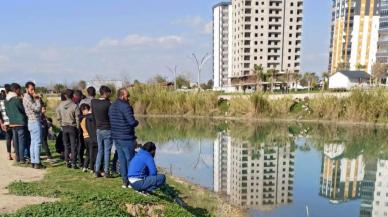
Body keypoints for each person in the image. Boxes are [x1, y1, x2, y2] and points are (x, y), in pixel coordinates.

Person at [109, 88, 139, 188]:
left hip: (116, 137)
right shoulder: (126, 107)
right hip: (126, 137)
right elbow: (131, 122)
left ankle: (125, 182)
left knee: (122, 160)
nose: (128, 97)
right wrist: (136, 122)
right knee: (130, 160)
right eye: (127, 96)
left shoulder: (112, 106)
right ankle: (132, 182)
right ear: (122, 96)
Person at [92, 86, 113, 178]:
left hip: (98, 129)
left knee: (100, 150)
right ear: (106, 93)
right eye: (109, 93)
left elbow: (93, 115)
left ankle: (97, 170)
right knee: (107, 151)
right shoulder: (108, 104)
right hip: (107, 129)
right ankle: (106, 171)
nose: (110, 95)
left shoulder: (94, 102)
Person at [56, 89, 80, 169]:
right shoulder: (75, 105)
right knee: (73, 145)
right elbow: (77, 118)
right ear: (73, 95)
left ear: (65, 96)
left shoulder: (61, 105)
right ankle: (73, 163)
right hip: (72, 127)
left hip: (64, 127)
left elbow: (58, 115)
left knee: (66, 145)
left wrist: (60, 124)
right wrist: (78, 127)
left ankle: (67, 161)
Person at [23, 81, 44, 169]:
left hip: (31, 122)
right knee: (37, 142)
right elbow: (36, 108)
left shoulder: (27, 97)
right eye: (31, 89)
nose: (33, 91)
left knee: (33, 143)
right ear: (26, 89)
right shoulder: (27, 98)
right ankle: (37, 162)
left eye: (34, 89)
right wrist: (37, 99)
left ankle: (34, 161)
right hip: (34, 122)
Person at [5, 83, 28, 164]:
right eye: (19, 89)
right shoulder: (17, 99)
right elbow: (23, 110)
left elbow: (7, 113)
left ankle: (17, 158)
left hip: (12, 123)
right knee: (21, 141)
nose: (20, 91)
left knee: (16, 141)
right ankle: (22, 159)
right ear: (15, 89)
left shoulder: (6, 100)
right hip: (20, 122)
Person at [80, 104, 98, 172]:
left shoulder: (82, 118)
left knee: (87, 152)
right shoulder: (88, 118)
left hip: (85, 137)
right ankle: (92, 168)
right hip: (89, 136)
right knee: (91, 153)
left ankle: (85, 166)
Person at [0, 85, 13, 160]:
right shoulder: (11, 100)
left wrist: (1, 123)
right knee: (14, 137)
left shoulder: (1, 102)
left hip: (6, 122)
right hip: (13, 121)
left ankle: (9, 154)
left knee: (8, 138)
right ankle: (16, 153)